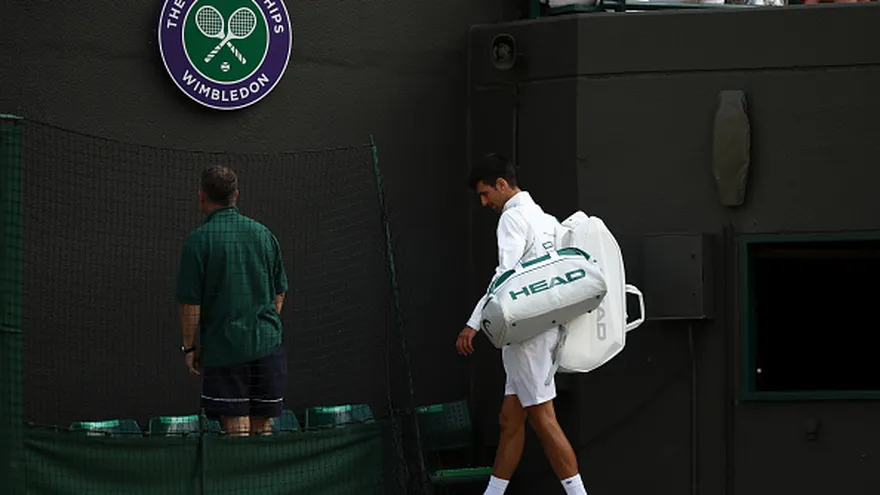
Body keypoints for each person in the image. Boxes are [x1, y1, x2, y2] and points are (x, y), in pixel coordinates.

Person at [456, 154, 588, 495]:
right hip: (540, 327)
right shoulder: (544, 218)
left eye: (486, 194)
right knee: (510, 420)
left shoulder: (512, 218)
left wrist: (474, 323)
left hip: (527, 332)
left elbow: (506, 275)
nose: (485, 203)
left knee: (544, 420)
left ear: (502, 184)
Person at [175, 165, 289, 437]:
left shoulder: (198, 242)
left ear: (201, 196)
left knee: (236, 426)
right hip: (267, 346)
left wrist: (190, 349)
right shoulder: (264, 234)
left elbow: (190, 304)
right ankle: (265, 480)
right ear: (235, 195)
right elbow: (280, 292)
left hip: (225, 349)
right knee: (263, 424)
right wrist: (262, 328)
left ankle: (242, 478)